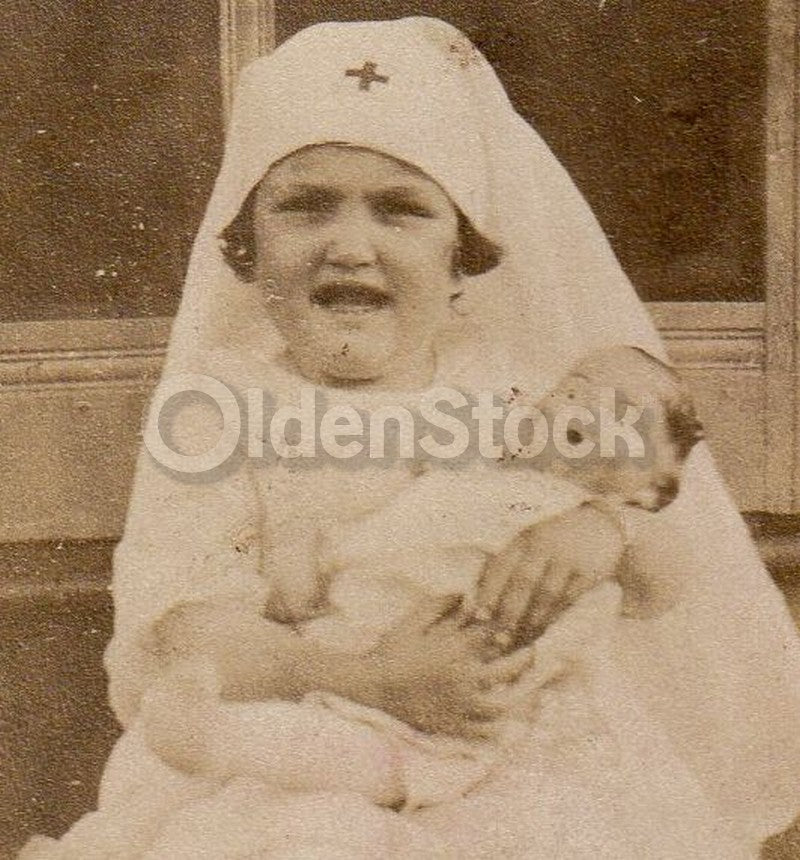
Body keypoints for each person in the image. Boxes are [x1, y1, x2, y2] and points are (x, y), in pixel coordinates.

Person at [21, 16, 800, 859]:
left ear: (462, 258)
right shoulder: (218, 410)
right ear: (246, 249)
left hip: (518, 748)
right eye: (305, 206)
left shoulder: (525, 391)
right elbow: (186, 634)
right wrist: (376, 684)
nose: (350, 247)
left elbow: (665, 576)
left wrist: (601, 528)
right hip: (296, 738)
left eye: (401, 211)